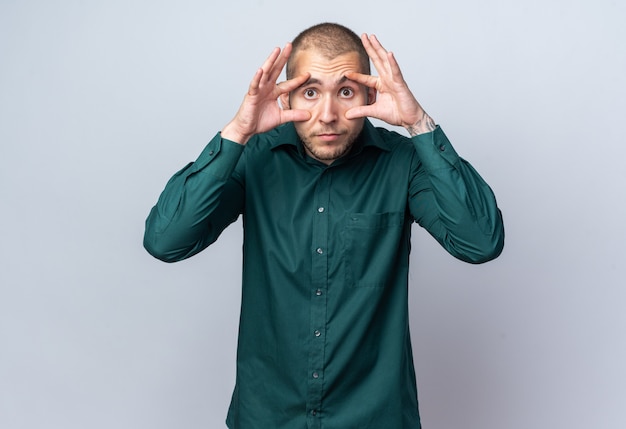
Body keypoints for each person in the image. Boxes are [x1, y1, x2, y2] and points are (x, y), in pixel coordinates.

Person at [144, 22, 504, 429]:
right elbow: (165, 240)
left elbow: (481, 241)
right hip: (268, 417)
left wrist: (418, 122)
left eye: (345, 91)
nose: (328, 115)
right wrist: (237, 132)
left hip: (374, 418)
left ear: (370, 94)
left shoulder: (403, 163)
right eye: (311, 92)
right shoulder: (254, 159)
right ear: (287, 92)